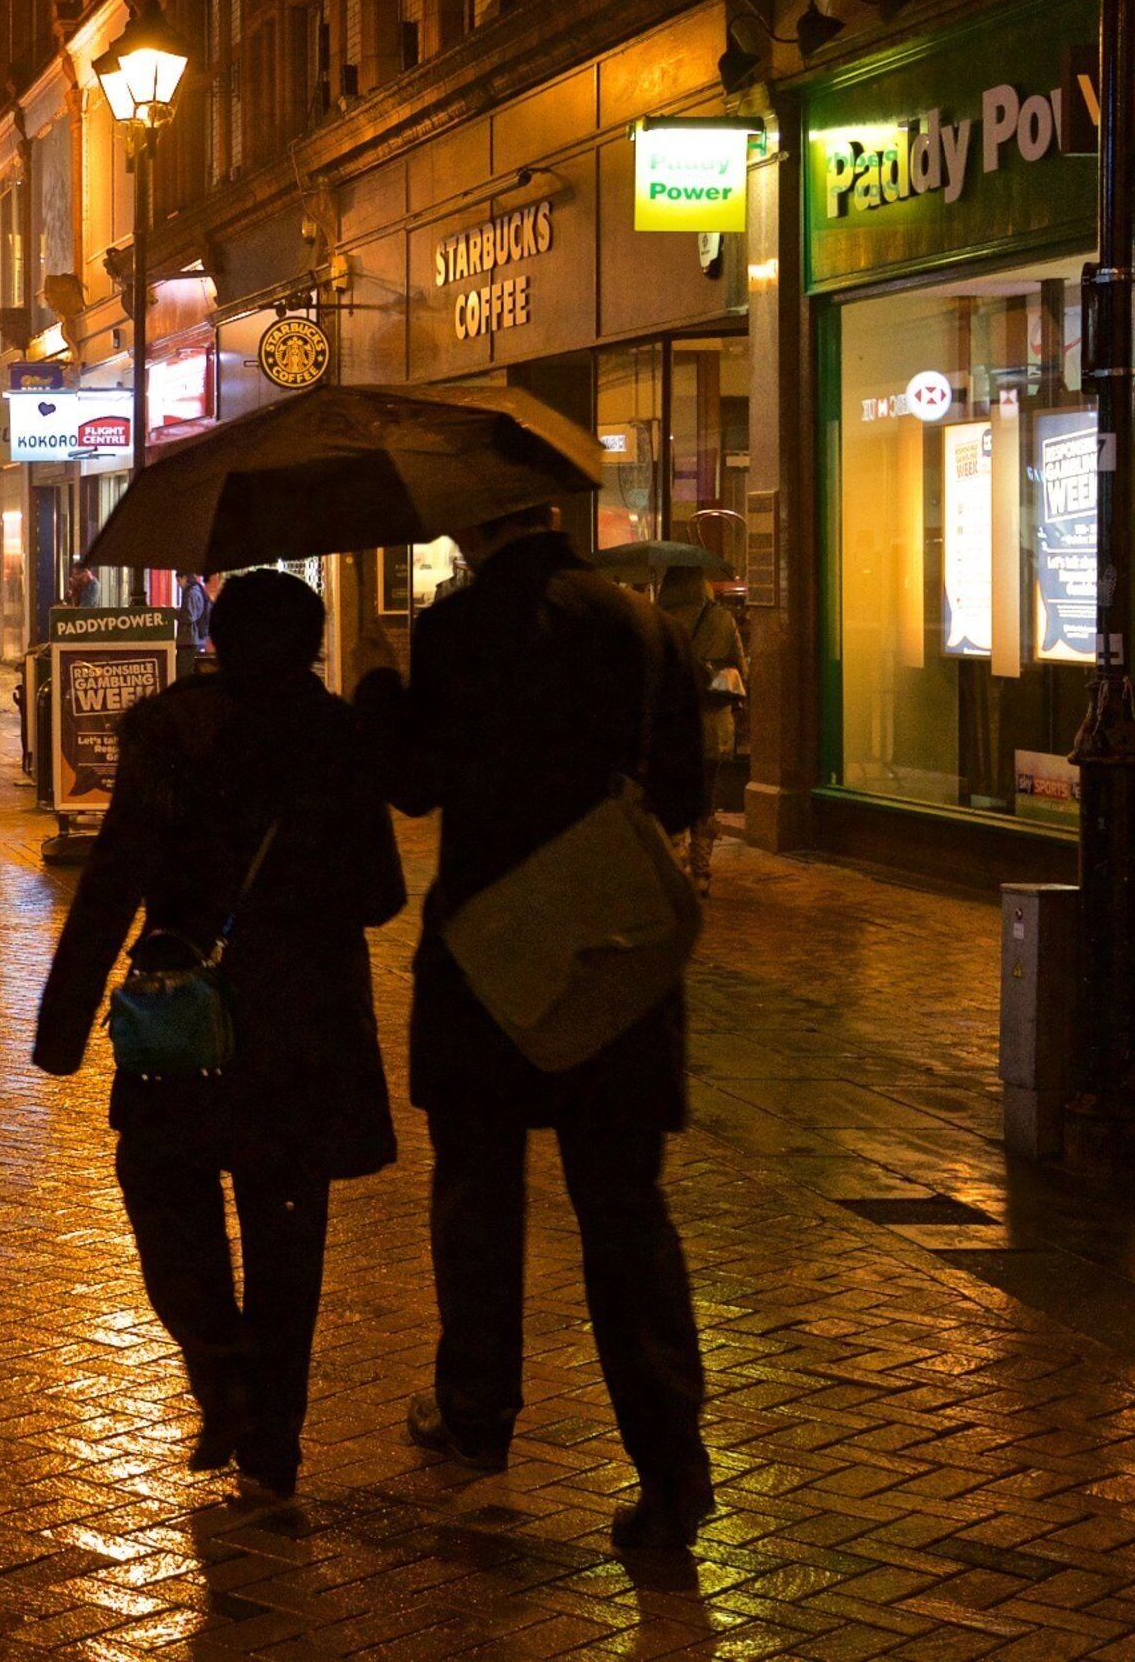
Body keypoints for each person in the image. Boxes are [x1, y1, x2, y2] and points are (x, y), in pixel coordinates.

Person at [364, 501, 714, 1560]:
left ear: (481, 520)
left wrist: (384, 693)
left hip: (489, 957)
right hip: (613, 949)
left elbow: (415, 788)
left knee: (478, 1190)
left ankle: (477, 1412)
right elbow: (690, 793)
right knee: (625, 1214)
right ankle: (671, 1470)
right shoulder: (644, 626)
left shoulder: (457, 629)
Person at [35, 571, 403, 1502]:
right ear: (314, 645)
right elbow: (382, 895)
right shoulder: (337, 737)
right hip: (303, 1026)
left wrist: (64, 1023)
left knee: (163, 1191)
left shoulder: (172, 733)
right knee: (289, 1235)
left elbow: (115, 878)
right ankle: (273, 1440)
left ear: (217, 637)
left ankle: (219, 1364)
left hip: (182, 1018)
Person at [658, 567, 747, 895]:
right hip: (714, 724)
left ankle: (677, 864)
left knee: (672, 793)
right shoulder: (722, 618)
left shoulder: (660, 618)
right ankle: (702, 872)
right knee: (706, 796)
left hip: (672, 724)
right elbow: (741, 668)